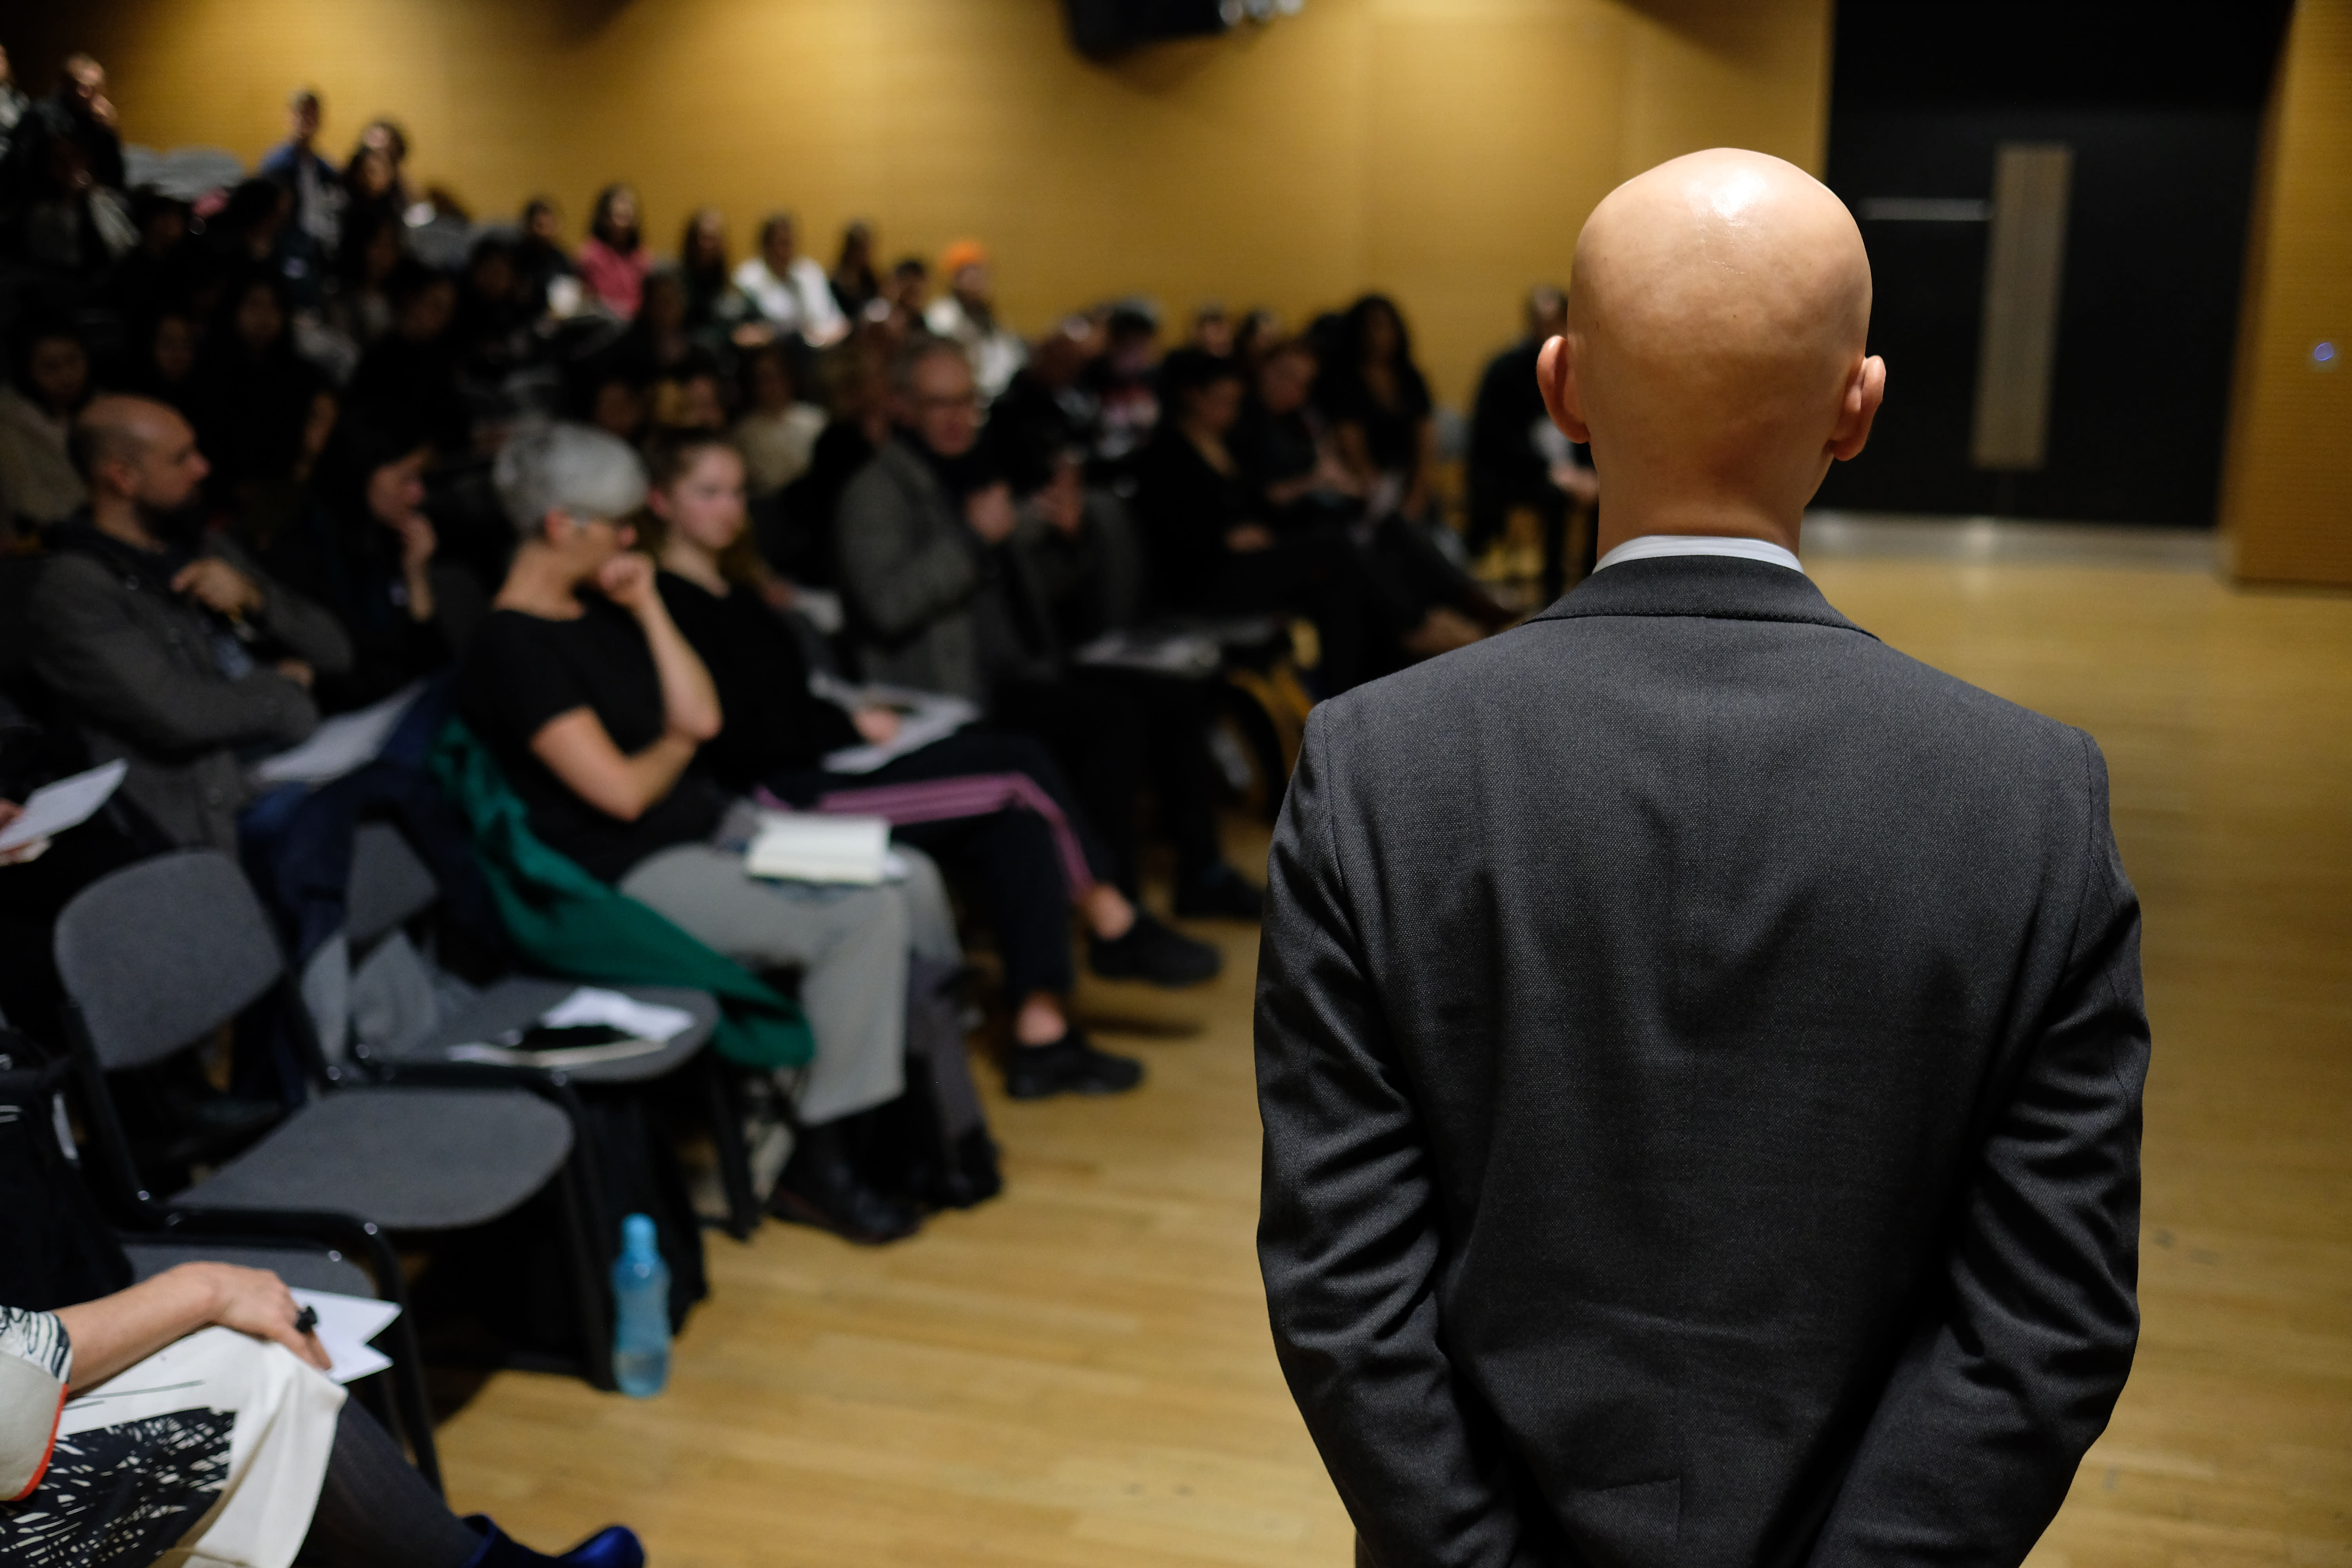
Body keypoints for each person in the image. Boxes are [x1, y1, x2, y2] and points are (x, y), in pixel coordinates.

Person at [1256, 148, 2147, 1566]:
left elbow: (1342, 1288)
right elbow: (2043, 1323)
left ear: (1560, 390)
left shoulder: (1375, 762)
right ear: (1856, 408)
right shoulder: (2030, 798)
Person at [458, 422, 931, 1242]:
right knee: (863, 914)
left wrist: (644, 603)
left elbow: (701, 715)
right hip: (623, 875)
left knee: (907, 874)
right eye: (614, 523)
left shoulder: (600, 613)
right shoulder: (512, 647)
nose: (629, 537)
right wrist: (675, 746)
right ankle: (820, 1162)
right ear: (562, 526)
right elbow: (623, 794)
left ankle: (900, 1125)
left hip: (701, 830)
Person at [641, 432, 1209, 1095]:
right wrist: (849, 723)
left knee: (1015, 823)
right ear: (661, 502)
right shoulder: (669, 605)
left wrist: (854, 719)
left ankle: (1041, 1034)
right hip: (779, 797)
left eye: (737, 492)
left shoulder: (738, 593)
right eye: (707, 493)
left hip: (831, 759)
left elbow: (788, 706)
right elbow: (744, 736)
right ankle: (1112, 917)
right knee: (1018, 768)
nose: (729, 508)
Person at [838, 335, 1250, 921]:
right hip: (950, 691)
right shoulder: (875, 493)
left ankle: (1201, 874)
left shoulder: (977, 473)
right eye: (938, 404)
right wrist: (974, 540)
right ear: (904, 405)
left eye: (966, 402)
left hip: (1029, 664)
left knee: (1176, 693)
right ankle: (1118, 908)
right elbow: (888, 606)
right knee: (1110, 719)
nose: (957, 418)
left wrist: (1068, 535)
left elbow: (1035, 592)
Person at [31, 396, 353, 852]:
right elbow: (182, 716)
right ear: (123, 477)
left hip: (286, 756)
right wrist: (286, 691)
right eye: (181, 458)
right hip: (210, 807)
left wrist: (256, 600)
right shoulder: (74, 589)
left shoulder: (198, 544)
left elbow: (336, 652)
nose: (202, 468)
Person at [260, 410, 454, 713]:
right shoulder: (302, 554)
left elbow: (434, 665)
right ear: (364, 473)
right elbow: (342, 674)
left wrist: (416, 578)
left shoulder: (392, 537)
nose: (418, 494)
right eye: (406, 479)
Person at [1468, 283, 1601, 599]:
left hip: (1570, 471)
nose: (1547, 330)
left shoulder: (1581, 367)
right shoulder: (1503, 370)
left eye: (1555, 321)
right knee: (1554, 497)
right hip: (1517, 474)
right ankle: (1551, 595)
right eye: (1541, 322)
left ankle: (1592, 587)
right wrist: (1553, 472)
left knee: (1602, 495)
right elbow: (1498, 440)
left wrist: (1587, 473)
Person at [192, 268, 328, 514]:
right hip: (220, 497)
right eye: (254, 305)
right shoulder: (209, 372)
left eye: (274, 306)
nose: (265, 316)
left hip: (290, 491)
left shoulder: (303, 376)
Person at [0, 320, 91, 535]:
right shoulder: (9, 423)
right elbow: (28, 500)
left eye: (73, 361)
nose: (67, 375)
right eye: (50, 367)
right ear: (26, 370)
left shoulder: (104, 409)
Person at [728, 212, 847, 348]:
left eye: (790, 242)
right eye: (780, 243)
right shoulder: (746, 280)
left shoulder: (810, 273)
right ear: (765, 246)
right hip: (776, 352)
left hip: (822, 350)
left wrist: (824, 338)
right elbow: (744, 332)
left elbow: (840, 322)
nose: (786, 250)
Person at [924, 239, 1024, 401]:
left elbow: (1010, 357)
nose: (979, 280)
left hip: (999, 399)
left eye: (983, 273)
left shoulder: (989, 316)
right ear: (954, 279)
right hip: (962, 400)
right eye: (971, 273)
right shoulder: (941, 317)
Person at [730, 341, 826, 497]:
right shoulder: (743, 433)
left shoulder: (817, 421)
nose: (772, 385)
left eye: (776, 376)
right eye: (763, 379)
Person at [258, 86, 345, 260]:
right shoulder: (276, 164)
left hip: (318, 246)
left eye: (312, 114)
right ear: (290, 116)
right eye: (302, 113)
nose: (307, 120)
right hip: (286, 247)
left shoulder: (324, 168)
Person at [576, 183, 650, 318]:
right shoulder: (590, 255)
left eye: (629, 216)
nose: (624, 223)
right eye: (619, 216)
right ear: (604, 219)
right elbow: (593, 301)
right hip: (605, 325)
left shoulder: (641, 256)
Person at [829, 219, 880, 319]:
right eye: (860, 249)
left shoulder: (871, 280)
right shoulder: (834, 283)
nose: (865, 255)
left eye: (867, 250)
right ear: (849, 249)